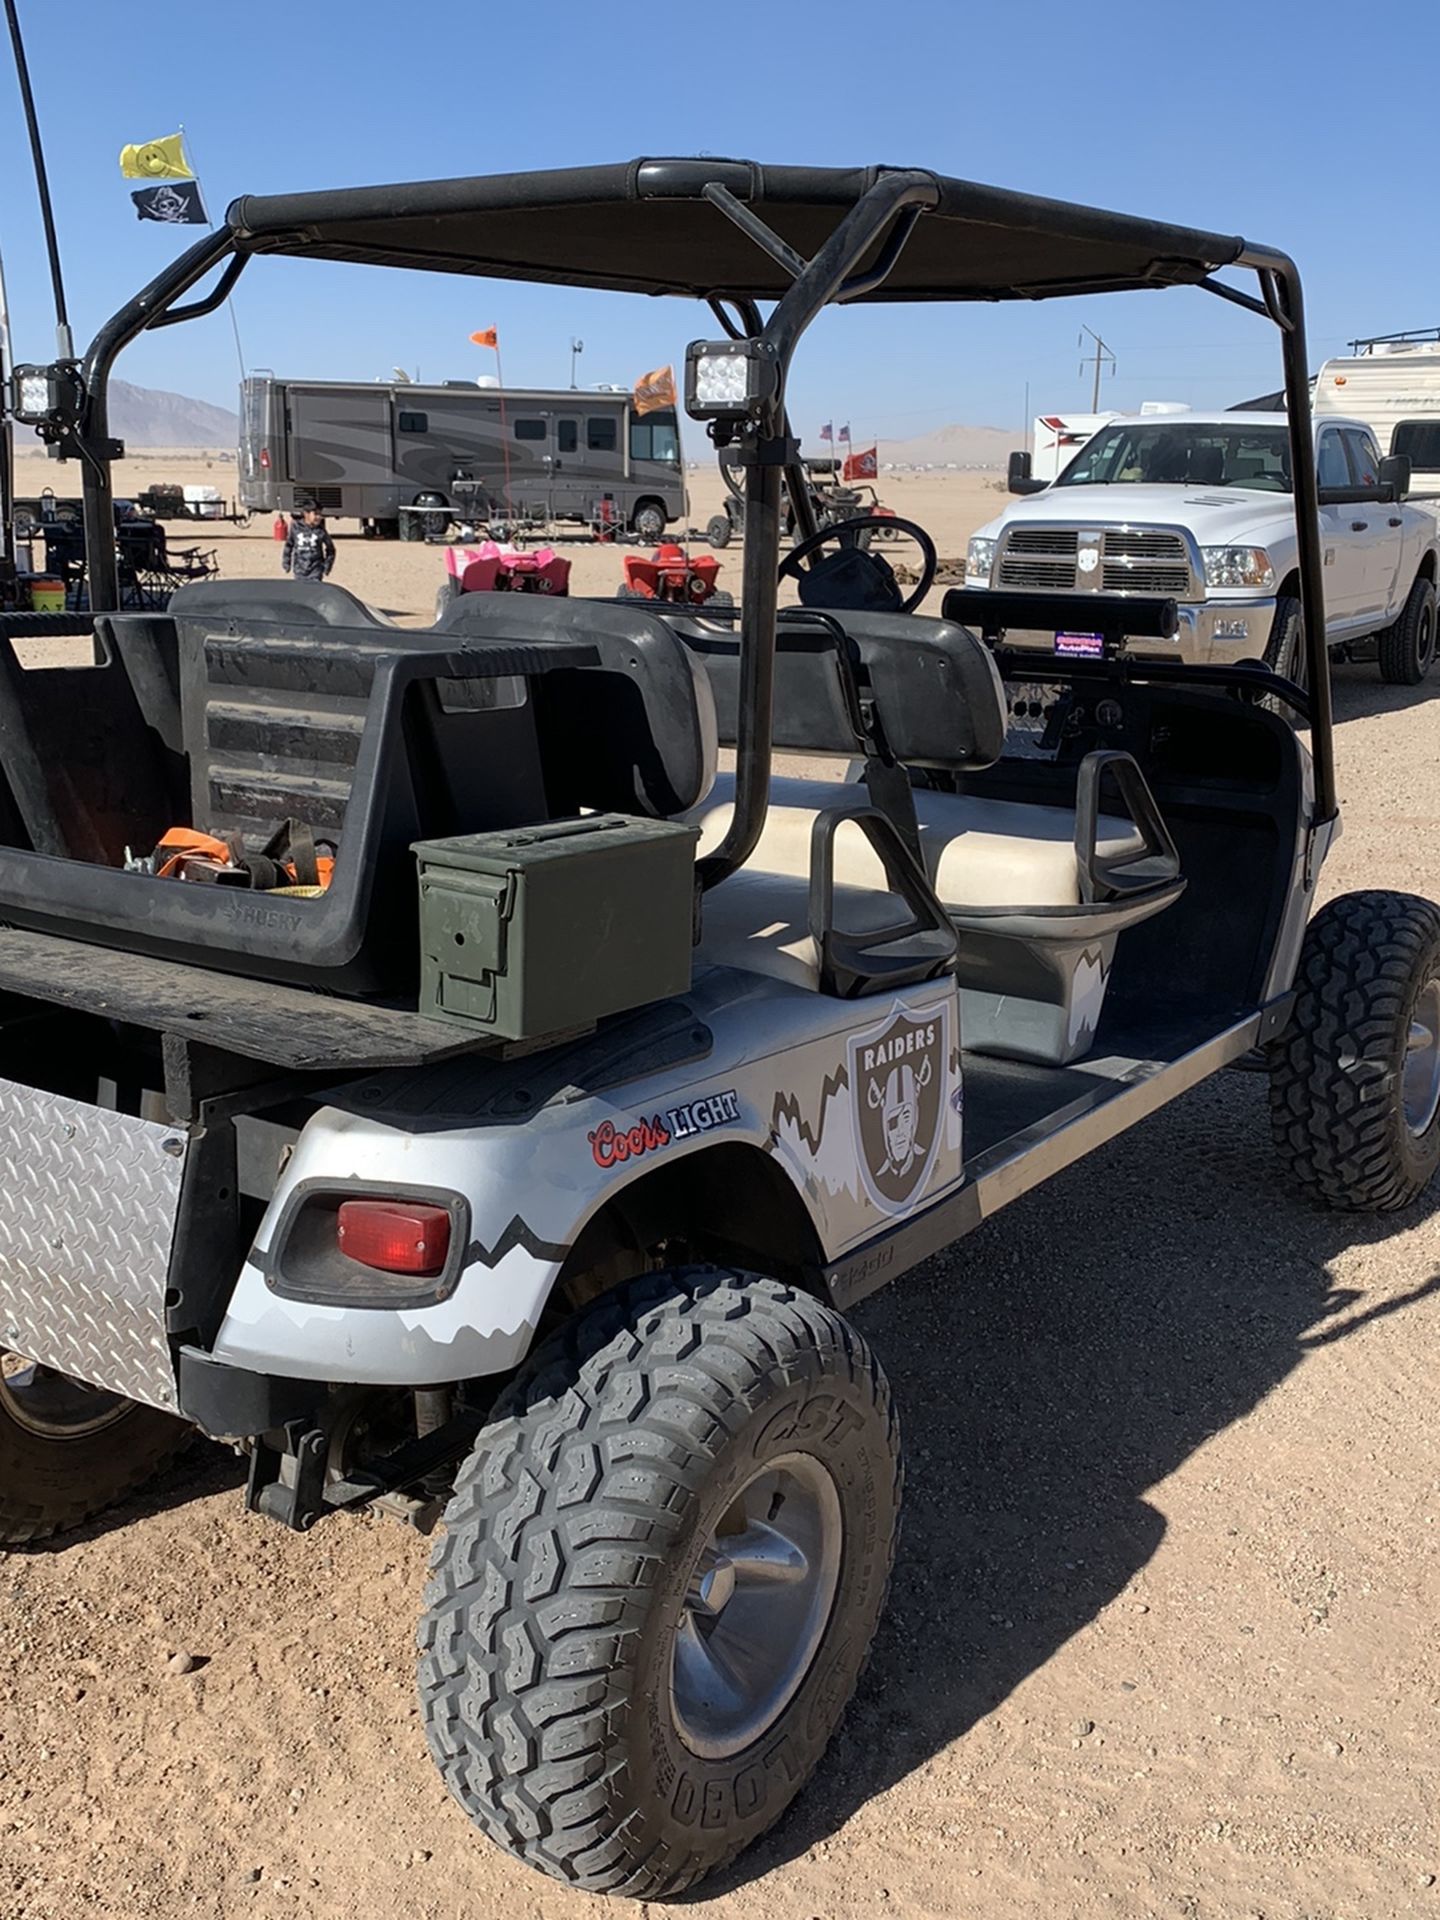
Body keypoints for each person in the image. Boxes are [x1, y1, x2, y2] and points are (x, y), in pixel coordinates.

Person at [282, 503, 336, 582]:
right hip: (299, 570)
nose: (318, 517)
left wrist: (326, 567)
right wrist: (286, 563)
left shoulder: (320, 531)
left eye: (320, 514)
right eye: (315, 514)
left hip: (315, 570)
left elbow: (331, 549)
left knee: (314, 588)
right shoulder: (296, 528)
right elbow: (288, 545)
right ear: (306, 514)